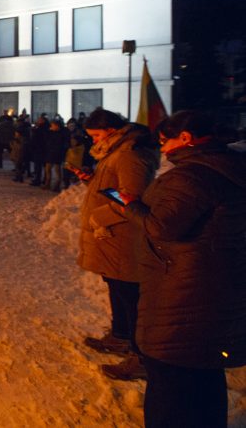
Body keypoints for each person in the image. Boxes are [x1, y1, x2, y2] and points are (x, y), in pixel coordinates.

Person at [119, 111, 246, 427]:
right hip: (213, 286)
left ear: (186, 138)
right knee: (203, 372)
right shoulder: (228, 165)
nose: (162, 149)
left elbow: (162, 227)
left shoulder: (192, 176)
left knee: (170, 379)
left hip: (184, 292)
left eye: (165, 141)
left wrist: (132, 205)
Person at [78, 108, 159, 380]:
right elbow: (117, 191)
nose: (93, 141)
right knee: (117, 287)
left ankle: (141, 356)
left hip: (122, 237)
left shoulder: (128, 155)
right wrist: (93, 181)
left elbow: (133, 198)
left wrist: (97, 215)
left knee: (129, 294)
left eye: (96, 135)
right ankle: (121, 335)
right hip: (111, 237)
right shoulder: (115, 152)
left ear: (111, 132)